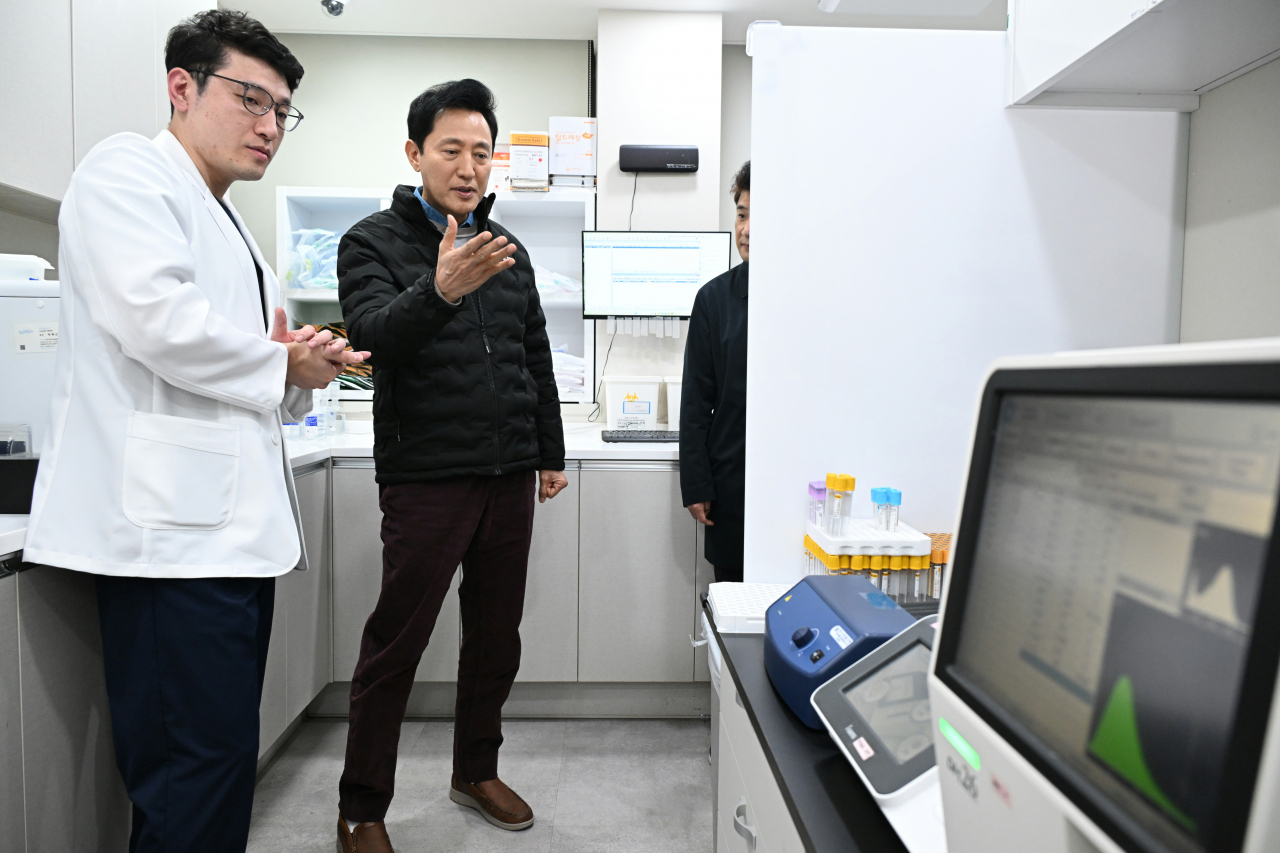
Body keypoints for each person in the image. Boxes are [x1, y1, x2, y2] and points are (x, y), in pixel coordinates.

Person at [22, 10, 368, 853]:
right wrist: (280, 364)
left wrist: (294, 365)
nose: (269, 125)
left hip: (221, 540)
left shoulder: (232, 225)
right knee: (190, 778)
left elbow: (240, 369)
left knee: (212, 769)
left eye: (283, 110)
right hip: (166, 546)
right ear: (181, 87)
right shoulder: (126, 173)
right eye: (252, 98)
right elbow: (157, 321)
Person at [335, 78, 568, 852]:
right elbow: (369, 339)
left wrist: (550, 451)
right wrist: (436, 288)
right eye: (451, 151)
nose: (469, 167)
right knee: (396, 642)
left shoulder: (508, 249)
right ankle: (362, 806)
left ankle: (475, 769)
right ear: (415, 154)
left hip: (508, 473)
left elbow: (534, 352)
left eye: (481, 152)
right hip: (426, 474)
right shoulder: (370, 241)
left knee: (496, 636)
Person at [681, 160, 751, 583]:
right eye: (742, 214)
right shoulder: (714, 300)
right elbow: (695, 403)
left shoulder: (810, 299)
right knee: (734, 614)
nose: (746, 228)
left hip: (801, 493)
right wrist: (697, 485)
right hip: (730, 489)